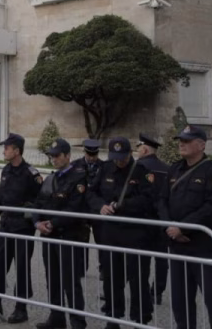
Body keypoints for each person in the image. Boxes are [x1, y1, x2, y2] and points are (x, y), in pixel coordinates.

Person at [159, 125, 212, 329]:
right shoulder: (174, 169)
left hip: (204, 247)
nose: (182, 144)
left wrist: (184, 228)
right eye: (181, 140)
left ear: (201, 145)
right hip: (178, 247)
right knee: (180, 301)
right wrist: (169, 227)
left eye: (187, 141)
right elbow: (161, 200)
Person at [87, 137, 155, 328]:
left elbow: (148, 199)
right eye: (115, 157)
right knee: (111, 278)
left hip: (135, 233)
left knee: (137, 278)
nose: (119, 161)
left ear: (130, 154)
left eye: (122, 157)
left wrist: (122, 205)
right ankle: (113, 316)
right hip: (110, 232)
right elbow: (91, 193)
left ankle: (140, 318)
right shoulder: (105, 168)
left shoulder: (141, 171)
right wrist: (101, 206)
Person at [33, 138, 89, 329]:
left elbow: (74, 208)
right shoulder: (51, 179)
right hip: (49, 235)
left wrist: (52, 223)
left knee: (70, 281)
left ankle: (77, 322)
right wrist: (37, 222)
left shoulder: (78, 178)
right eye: (52, 156)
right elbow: (38, 203)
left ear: (68, 156)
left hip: (68, 236)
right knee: (53, 280)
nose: (54, 159)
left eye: (57, 156)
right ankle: (56, 318)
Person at [0, 133, 43, 323]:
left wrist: (31, 214)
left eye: (7, 148)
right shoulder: (6, 170)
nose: (4, 151)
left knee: (21, 268)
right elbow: (2, 198)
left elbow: (39, 201)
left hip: (22, 228)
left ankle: (21, 308)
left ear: (16, 151)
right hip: (6, 225)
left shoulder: (31, 174)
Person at [135, 133, 170, 304]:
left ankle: (143, 290)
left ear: (145, 149)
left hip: (143, 220)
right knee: (162, 259)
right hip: (162, 220)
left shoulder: (138, 167)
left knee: (142, 259)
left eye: (138, 148)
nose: (137, 151)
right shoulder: (167, 168)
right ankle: (157, 292)